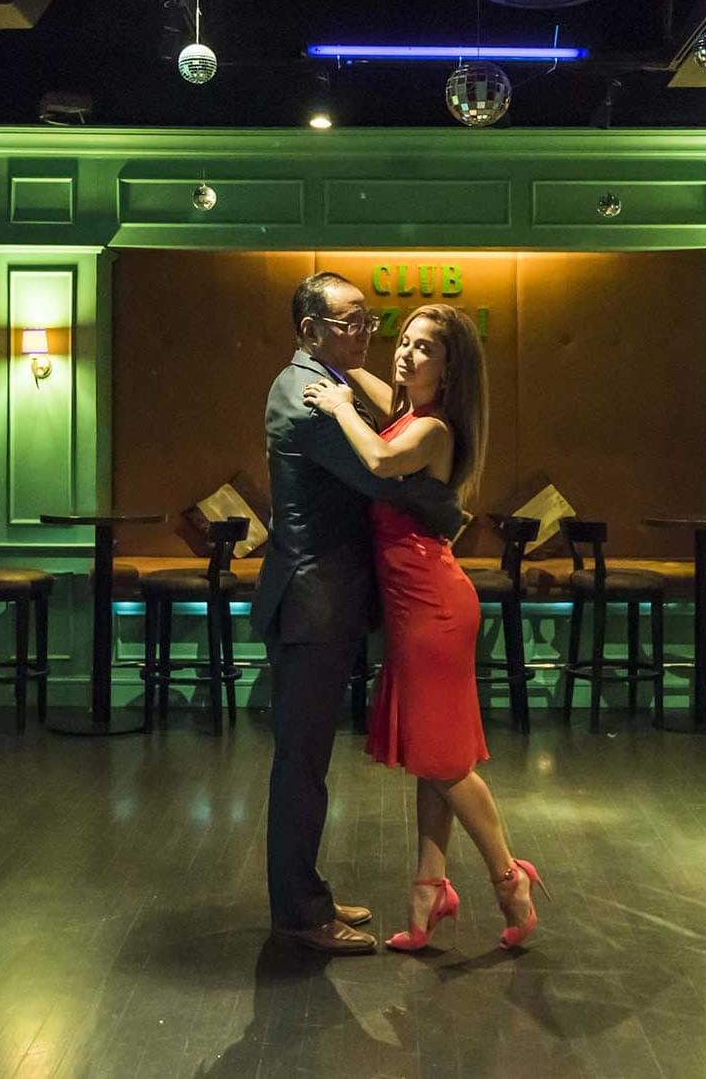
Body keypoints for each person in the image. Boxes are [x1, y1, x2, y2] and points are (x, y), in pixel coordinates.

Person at [303, 303, 548, 952]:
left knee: (442, 759)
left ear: (451, 368)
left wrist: (336, 406)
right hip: (419, 601)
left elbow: (381, 461)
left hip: (432, 605)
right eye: (403, 342)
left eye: (425, 349)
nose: (405, 354)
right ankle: (428, 888)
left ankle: (508, 877)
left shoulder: (431, 430)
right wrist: (343, 370)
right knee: (430, 754)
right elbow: (377, 389)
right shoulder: (409, 410)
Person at [252, 272, 466, 956]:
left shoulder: (324, 382)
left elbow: (393, 411)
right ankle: (298, 912)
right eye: (349, 322)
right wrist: (449, 507)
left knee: (306, 761)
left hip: (322, 599)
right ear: (310, 329)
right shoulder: (311, 397)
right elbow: (383, 477)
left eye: (369, 319)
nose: (364, 332)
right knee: (301, 764)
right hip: (312, 600)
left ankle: (305, 893)